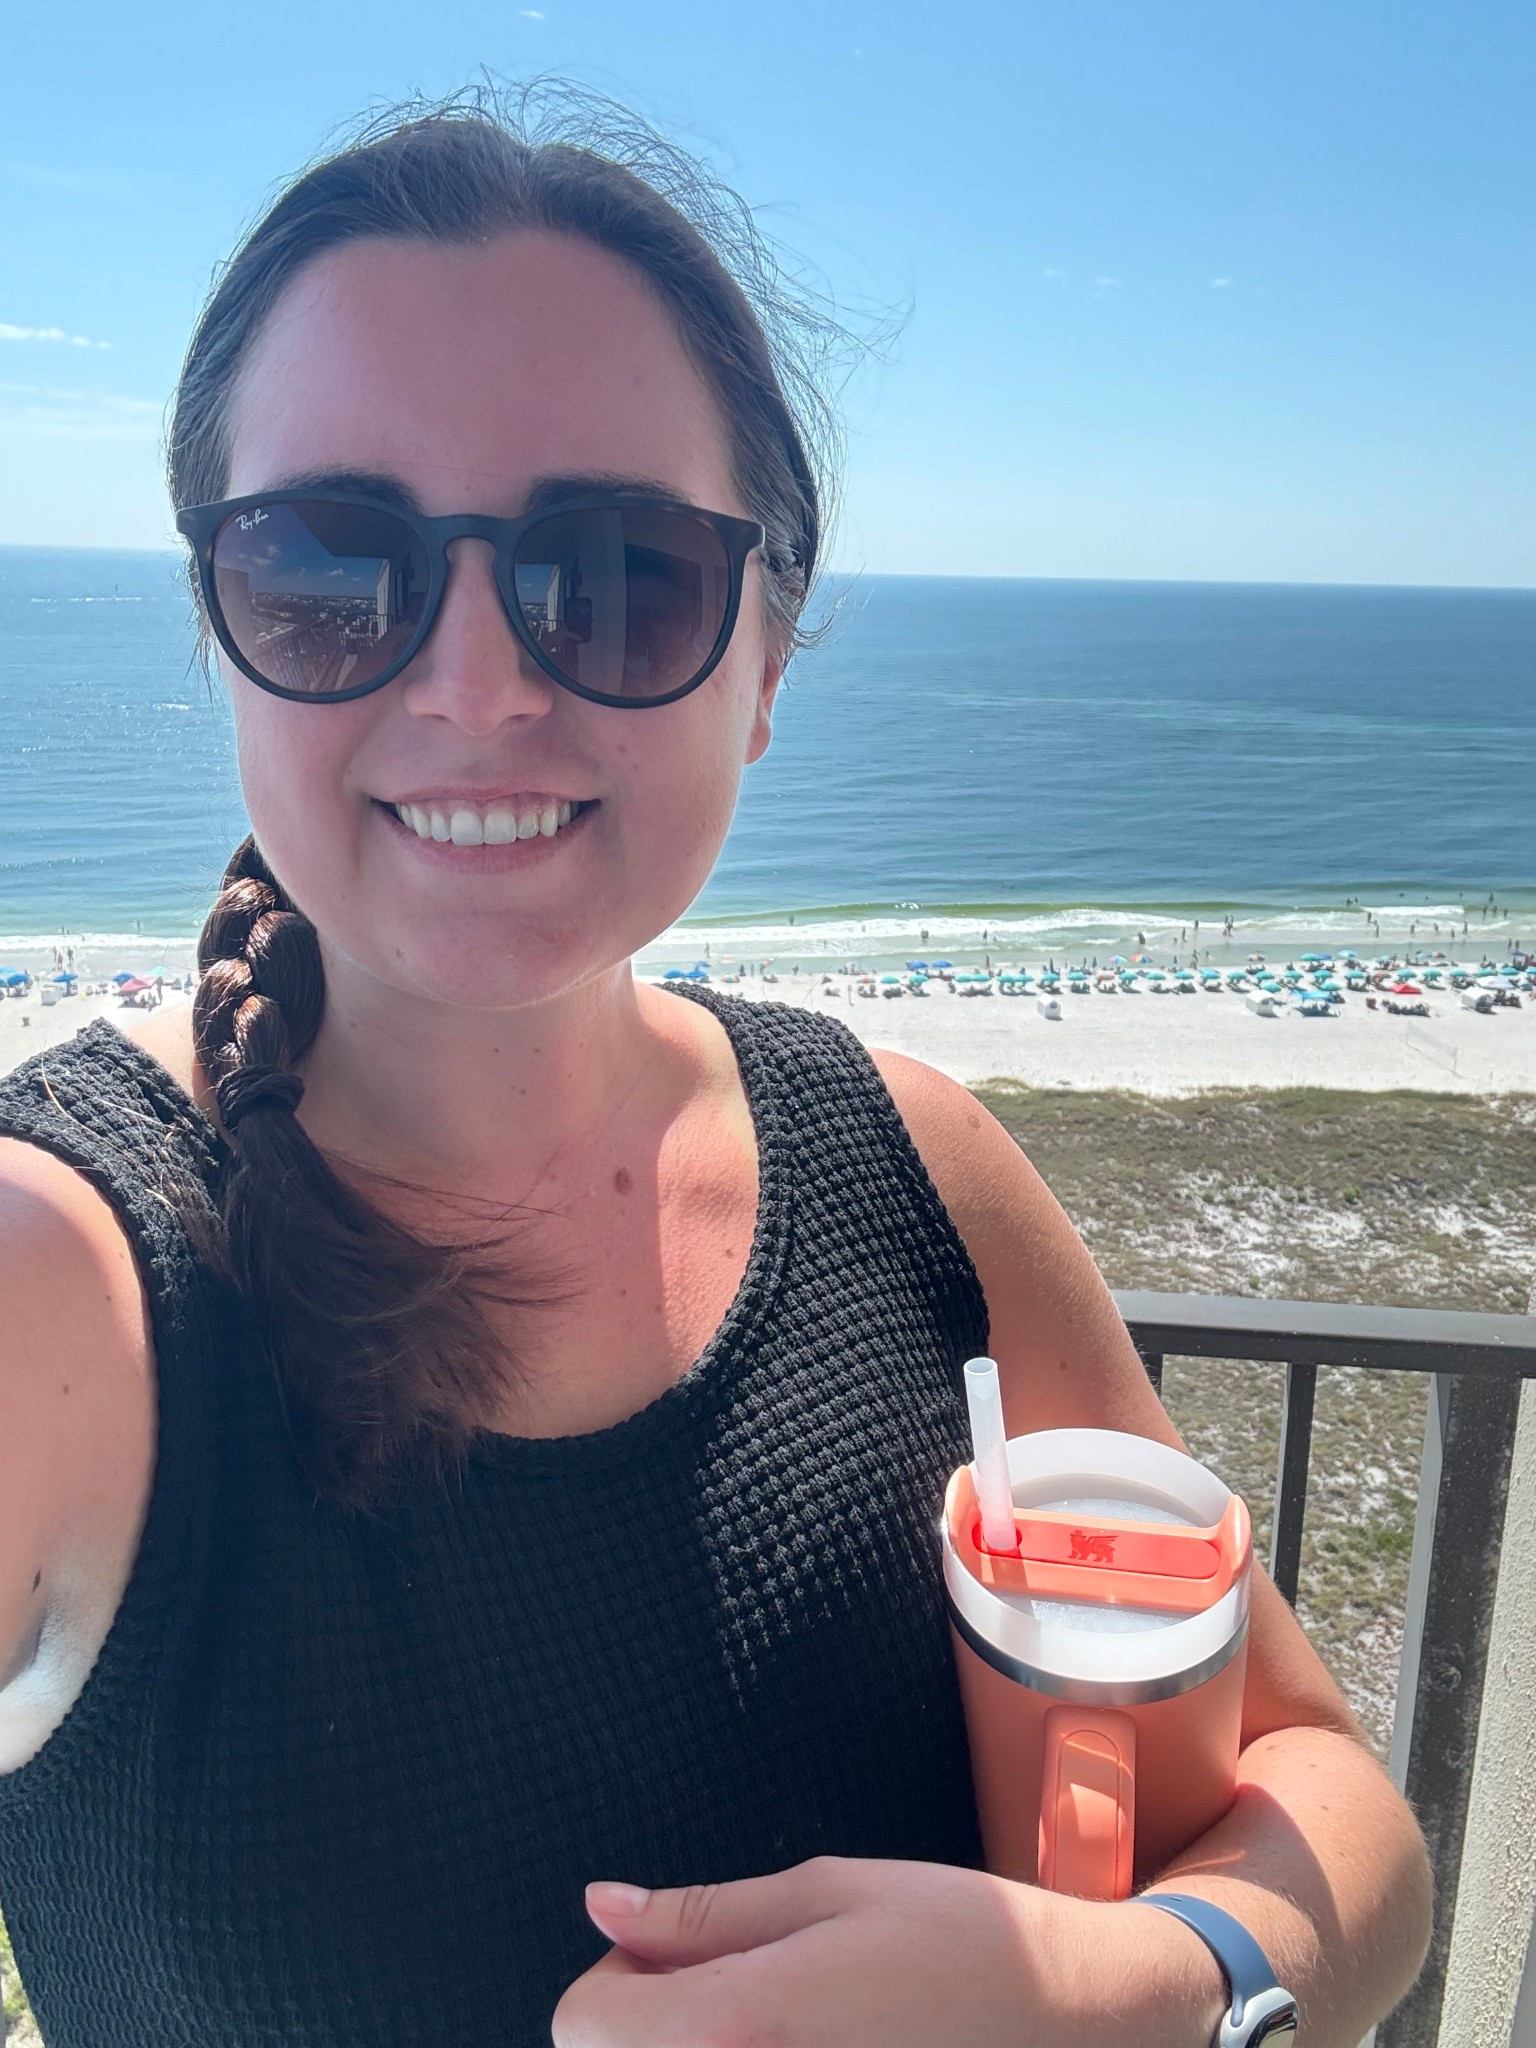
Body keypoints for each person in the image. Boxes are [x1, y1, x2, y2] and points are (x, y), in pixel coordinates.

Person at [0, 82, 1428, 2048]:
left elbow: (1346, 1820)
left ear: (765, 665)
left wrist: (1134, 1990)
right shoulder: (50, 1281)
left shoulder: (917, 1171)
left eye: (616, 572)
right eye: (331, 567)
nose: (477, 683)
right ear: (218, 630)